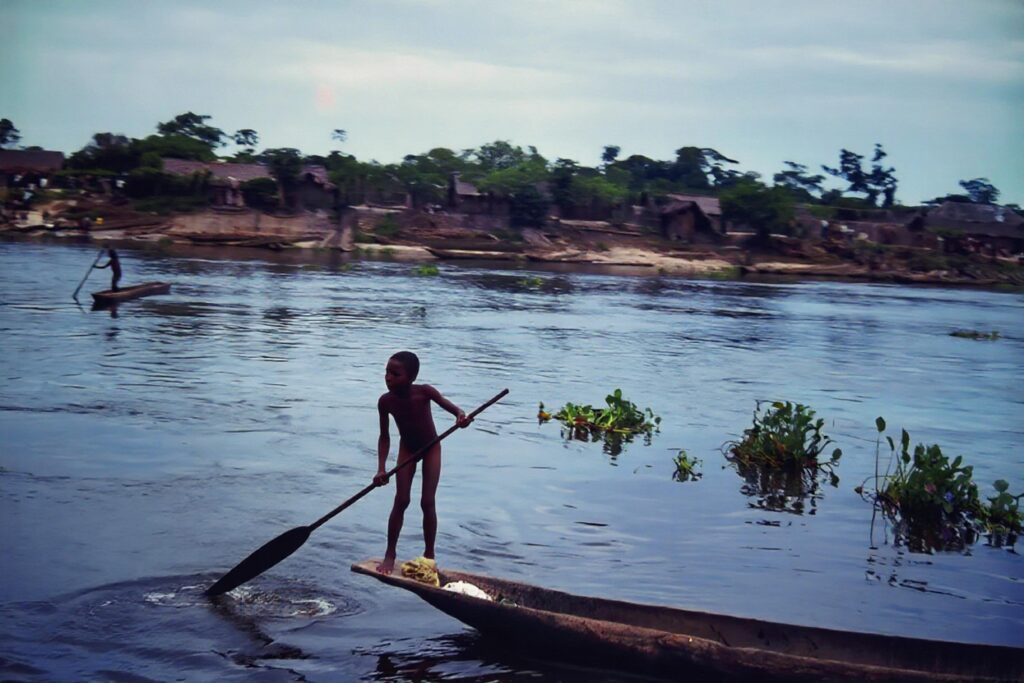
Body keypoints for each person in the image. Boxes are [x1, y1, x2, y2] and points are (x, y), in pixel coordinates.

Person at [373, 351, 471, 575]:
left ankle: (429, 555)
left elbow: (454, 409)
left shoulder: (424, 392)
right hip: (407, 449)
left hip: (431, 448)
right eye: (387, 372)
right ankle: (390, 554)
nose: (388, 377)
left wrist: (461, 417)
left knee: (427, 502)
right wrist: (381, 468)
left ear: (411, 377)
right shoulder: (385, 402)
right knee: (402, 500)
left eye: (395, 374)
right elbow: (384, 437)